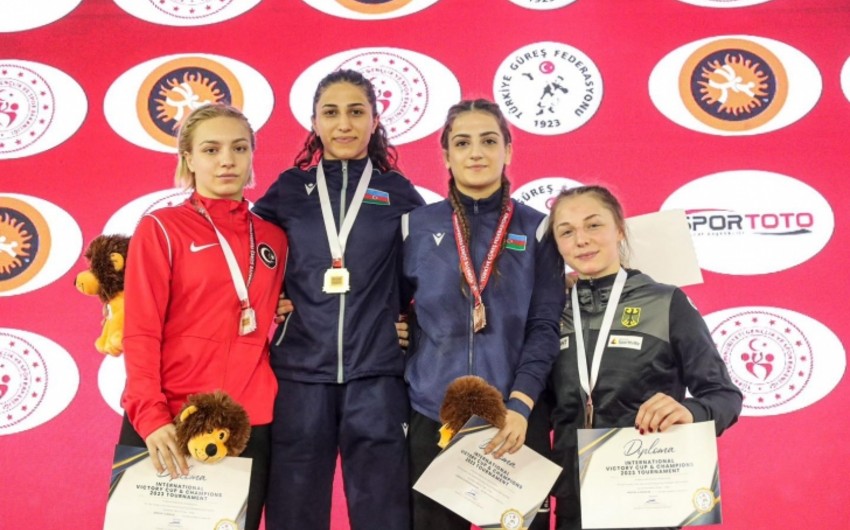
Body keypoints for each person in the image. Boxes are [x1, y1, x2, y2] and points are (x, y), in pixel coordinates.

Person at [252, 69, 425, 530]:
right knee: (294, 512)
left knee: (384, 513)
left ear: (375, 120)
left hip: (377, 375)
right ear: (314, 122)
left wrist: (413, 323)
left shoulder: (398, 193)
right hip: (300, 373)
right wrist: (270, 298)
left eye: (356, 112)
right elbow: (248, 253)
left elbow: (432, 272)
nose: (344, 124)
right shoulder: (289, 190)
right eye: (331, 113)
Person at [120, 103, 287, 530]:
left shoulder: (274, 238)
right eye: (211, 150)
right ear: (189, 159)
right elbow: (140, 331)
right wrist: (150, 415)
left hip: (247, 423)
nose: (227, 160)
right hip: (171, 418)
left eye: (239, 148)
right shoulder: (161, 228)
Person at [401, 98, 565, 530]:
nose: (476, 152)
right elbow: (390, 311)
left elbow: (544, 327)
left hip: (516, 416)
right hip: (434, 415)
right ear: (446, 155)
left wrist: (521, 404)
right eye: (462, 143)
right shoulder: (415, 226)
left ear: (508, 150)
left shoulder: (538, 229)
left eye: (489, 141)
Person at [546, 184, 743, 530]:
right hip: (573, 507)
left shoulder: (666, 302)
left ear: (619, 229)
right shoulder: (549, 312)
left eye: (594, 225)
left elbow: (724, 396)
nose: (582, 240)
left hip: (649, 499)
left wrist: (690, 411)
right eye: (566, 232)